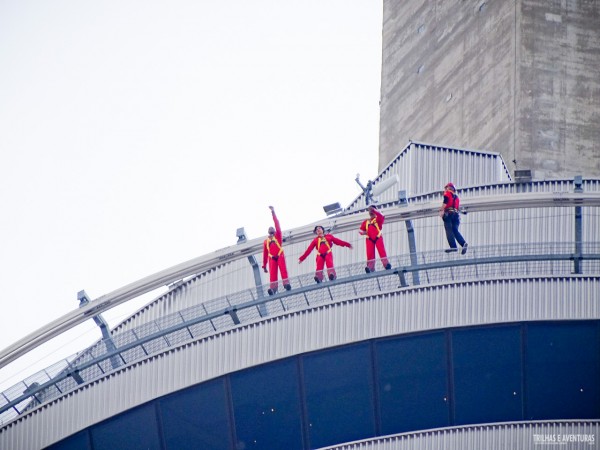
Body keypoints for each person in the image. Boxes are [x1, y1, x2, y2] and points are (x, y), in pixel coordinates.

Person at [262, 206, 291, 295]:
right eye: (269, 228)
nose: (271, 228)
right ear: (268, 231)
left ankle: (286, 284)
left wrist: (273, 212)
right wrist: (264, 265)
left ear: (274, 230)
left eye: (272, 228)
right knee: (272, 274)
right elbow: (265, 254)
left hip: (279, 255)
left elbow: (277, 223)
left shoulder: (278, 236)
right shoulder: (266, 241)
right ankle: (273, 288)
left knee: (283, 269)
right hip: (272, 258)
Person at [359, 205, 392, 272]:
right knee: (370, 254)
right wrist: (364, 233)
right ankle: (370, 267)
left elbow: (381, 216)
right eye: (370, 211)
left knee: (382, 251)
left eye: (372, 211)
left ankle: (386, 265)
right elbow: (360, 230)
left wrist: (374, 210)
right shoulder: (366, 222)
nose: (370, 212)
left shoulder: (378, 219)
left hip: (378, 237)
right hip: (369, 239)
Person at [439, 182, 468, 254]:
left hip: (449, 215)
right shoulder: (457, 198)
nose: (445, 190)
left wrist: (441, 209)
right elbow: (457, 208)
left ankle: (453, 247)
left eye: (446, 188)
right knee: (455, 230)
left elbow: (445, 202)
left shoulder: (447, 194)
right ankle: (463, 243)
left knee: (449, 230)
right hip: (456, 216)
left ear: (449, 188)